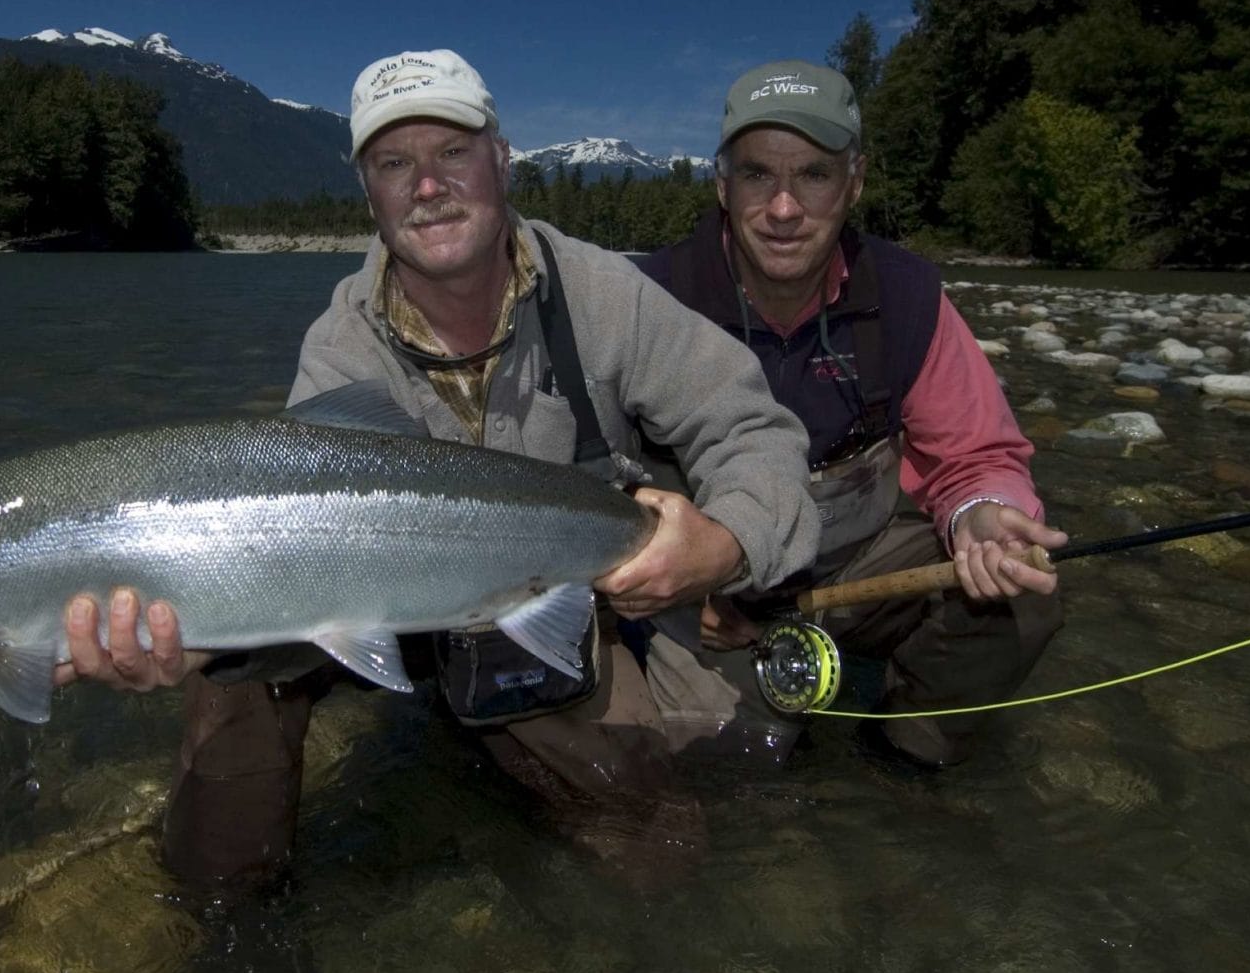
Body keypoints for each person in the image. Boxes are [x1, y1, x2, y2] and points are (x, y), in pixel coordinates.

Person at [56, 48, 822, 883]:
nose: (427, 185)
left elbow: (754, 430)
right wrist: (190, 634)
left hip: (549, 599)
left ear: (501, 159)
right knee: (234, 683)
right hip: (382, 595)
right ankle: (223, 913)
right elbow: (279, 558)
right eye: (395, 163)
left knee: (657, 850)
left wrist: (726, 544)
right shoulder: (340, 348)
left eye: (452, 153)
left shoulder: (605, 295)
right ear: (370, 192)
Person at [639, 58, 1068, 769]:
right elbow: (591, 474)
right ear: (722, 184)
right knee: (733, 767)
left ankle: (903, 759)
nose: (783, 208)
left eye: (813, 175)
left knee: (1021, 587)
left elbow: (976, 457)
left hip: (859, 567)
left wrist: (984, 517)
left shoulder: (907, 297)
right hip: (707, 591)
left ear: (855, 183)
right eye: (757, 175)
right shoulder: (651, 300)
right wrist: (666, 589)